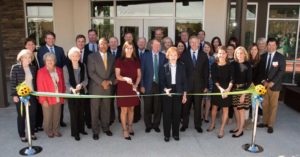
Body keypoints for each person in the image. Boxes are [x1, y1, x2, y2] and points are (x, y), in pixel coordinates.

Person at [37, 31, 67, 127]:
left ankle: (59, 123)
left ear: (55, 39)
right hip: (47, 79)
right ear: (45, 39)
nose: (50, 40)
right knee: (48, 111)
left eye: (52, 38)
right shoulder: (41, 50)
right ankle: (48, 127)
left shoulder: (60, 49)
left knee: (58, 109)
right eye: (48, 38)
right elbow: (41, 65)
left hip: (57, 76)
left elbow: (63, 63)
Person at [87, 38, 115, 140]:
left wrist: (109, 82)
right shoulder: (91, 57)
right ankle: (95, 131)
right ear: (98, 45)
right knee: (94, 110)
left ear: (108, 45)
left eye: (105, 44)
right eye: (101, 44)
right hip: (96, 88)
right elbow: (91, 73)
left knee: (106, 109)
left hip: (108, 88)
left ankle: (106, 127)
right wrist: (102, 82)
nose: (103, 46)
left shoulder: (112, 57)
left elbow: (113, 73)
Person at [180, 36, 209, 133]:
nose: (193, 44)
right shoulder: (184, 55)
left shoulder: (204, 55)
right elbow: (182, 72)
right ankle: (184, 124)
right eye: (191, 42)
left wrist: (206, 86)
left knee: (198, 107)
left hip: (199, 86)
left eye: (195, 42)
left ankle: (198, 125)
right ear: (189, 43)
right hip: (187, 86)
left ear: (199, 43)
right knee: (186, 107)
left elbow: (206, 72)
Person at [257, 38, 286, 134]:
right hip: (264, 86)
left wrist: (272, 82)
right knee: (265, 105)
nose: (271, 47)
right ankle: (265, 122)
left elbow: (281, 71)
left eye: (273, 45)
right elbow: (260, 71)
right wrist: (263, 81)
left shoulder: (280, 57)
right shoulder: (263, 56)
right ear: (267, 46)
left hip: (275, 86)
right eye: (269, 45)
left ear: (276, 46)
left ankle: (270, 125)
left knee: (273, 106)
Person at [159, 47, 187, 142]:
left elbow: (184, 82)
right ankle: (167, 134)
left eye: (175, 55)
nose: (173, 57)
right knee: (167, 114)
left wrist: (184, 94)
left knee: (177, 114)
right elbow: (161, 82)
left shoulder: (182, 66)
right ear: (167, 56)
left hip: (178, 91)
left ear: (178, 56)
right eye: (171, 55)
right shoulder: (164, 67)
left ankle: (176, 133)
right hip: (168, 91)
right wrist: (165, 89)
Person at [115, 41, 141, 140]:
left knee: (131, 109)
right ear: (124, 49)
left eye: (131, 48)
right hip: (123, 88)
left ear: (133, 49)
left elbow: (139, 75)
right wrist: (126, 79)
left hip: (133, 88)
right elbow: (117, 76)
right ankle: (124, 130)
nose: (129, 50)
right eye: (127, 48)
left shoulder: (136, 60)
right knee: (124, 110)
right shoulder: (119, 60)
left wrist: (136, 85)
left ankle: (130, 127)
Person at [10, 49, 37, 142]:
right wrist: (14, 95)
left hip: (31, 94)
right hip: (20, 95)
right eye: (26, 57)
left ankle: (32, 133)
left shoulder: (33, 68)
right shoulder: (15, 68)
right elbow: (13, 83)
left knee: (32, 115)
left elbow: (34, 82)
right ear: (21, 58)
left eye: (30, 57)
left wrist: (37, 93)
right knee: (22, 115)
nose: (28, 59)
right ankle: (22, 134)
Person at [207, 46, 234, 138]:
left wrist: (228, 89)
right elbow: (214, 79)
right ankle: (213, 124)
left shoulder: (230, 65)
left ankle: (222, 129)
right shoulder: (214, 65)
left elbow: (232, 78)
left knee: (225, 109)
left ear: (226, 54)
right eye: (220, 53)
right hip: (217, 89)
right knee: (214, 108)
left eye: (223, 53)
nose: (221, 55)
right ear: (217, 54)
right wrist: (221, 89)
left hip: (227, 89)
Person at [37, 52, 65, 138]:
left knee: (57, 115)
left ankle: (56, 130)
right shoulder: (41, 71)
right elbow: (40, 86)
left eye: (51, 60)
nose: (50, 61)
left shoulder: (59, 70)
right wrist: (43, 99)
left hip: (58, 97)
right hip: (47, 98)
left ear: (55, 61)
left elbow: (62, 83)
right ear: (45, 61)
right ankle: (48, 130)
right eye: (48, 60)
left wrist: (63, 95)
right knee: (48, 116)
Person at [141, 39, 166, 133]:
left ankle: (156, 124)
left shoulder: (163, 56)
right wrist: (142, 85)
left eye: (159, 45)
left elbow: (165, 72)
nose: (157, 47)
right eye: (155, 45)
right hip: (148, 84)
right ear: (151, 45)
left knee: (158, 106)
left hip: (159, 84)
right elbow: (142, 72)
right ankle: (148, 125)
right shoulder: (145, 56)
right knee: (147, 106)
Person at [63, 47, 88, 141]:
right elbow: (66, 82)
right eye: (73, 55)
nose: (75, 57)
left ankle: (82, 129)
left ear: (79, 56)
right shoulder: (66, 67)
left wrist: (81, 85)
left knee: (81, 111)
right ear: (70, 56)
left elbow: (86, 79)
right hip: (71, 93)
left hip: (81, 91)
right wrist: (72, 89)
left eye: (77, 55)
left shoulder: (83, 65)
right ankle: (75, 132)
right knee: (74, 113)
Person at [230, 46, 252, 138]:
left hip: (244, 90)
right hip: (234, 90)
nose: (239, 55)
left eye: (241, 53)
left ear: (245, 54)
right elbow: (232, 78)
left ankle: (241, 130)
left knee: (241, 110)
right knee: (235, 109)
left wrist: (244, 94)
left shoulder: (248, 64)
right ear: (235, 54)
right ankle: (238, 126)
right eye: (237, 53)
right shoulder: (233, 64)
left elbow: (249, 81)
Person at [24, 38, 43, 132]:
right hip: (29, 86)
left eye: (33, 44)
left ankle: (39, 124)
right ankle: (32, 126)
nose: (31, 46)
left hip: (37, 83)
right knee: (32, 108)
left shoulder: (36, 55)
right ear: (25, 45)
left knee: (38, 105)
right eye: (29, 44)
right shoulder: (23, 56)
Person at [75, 34, 91, 129]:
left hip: (87, 82)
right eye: (79, 41)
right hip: (75, 83)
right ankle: (78, 123)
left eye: (82, 41)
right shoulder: (71, 52)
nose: (81, 43)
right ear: (76, 42)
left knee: (87, 104)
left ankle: (88, 122)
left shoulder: (90, 53)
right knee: (77, 105)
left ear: (85, 42)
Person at [107, 36, 122, 125]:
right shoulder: (106, 52)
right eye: (111, 42)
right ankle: (111, 117)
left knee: (120, 99)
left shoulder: (122, 52)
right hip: (110, 80)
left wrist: (118, 78)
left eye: (115, 42)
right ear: (108, 43)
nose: (113, 43)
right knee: (110, 100)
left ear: (117, 43)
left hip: (120, 80)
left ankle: (121, 117)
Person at [201, 42, 215, 123]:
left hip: (210, 81)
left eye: (208, 47)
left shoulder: (212, 58)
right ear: (202, 48)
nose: (206, 48)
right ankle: (200, 115)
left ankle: (206, 116)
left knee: (208, 99)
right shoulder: (200, 57)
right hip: (202, 81)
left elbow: (214, 70)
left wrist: (211, 74)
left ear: (210, 48)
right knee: (201, 99)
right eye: (205, 47)